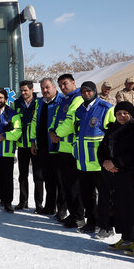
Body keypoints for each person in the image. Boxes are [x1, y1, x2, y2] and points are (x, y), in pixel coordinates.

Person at [57, 81, 115, 234]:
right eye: (83, 91)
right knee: (87, 194)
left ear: (95, 91)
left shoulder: (105, 108)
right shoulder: (79, 110)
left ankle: (107, 224)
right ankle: (92, 221)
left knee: (104, 195)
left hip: (98, 162)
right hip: (82, 161)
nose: (86, 94)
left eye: (89, 91)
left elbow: (114, 134)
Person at [98, 101, 134, 252]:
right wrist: (104, 163)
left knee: (131, 207)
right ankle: (125, 238)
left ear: (131, 114)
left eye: (125, 113)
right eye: (119, 113)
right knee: (120, 207)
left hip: (129, 173)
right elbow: (102, 148)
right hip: (114, 174)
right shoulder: (112, 128)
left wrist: (115, 163)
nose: (122, 116)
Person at [49, 74, 85, 228]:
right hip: (62, 148)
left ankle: (79, 216)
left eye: (65, 84)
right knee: (66, 184)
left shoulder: (78, 98)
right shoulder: (64, 100)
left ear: (73, 83)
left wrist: (57, 134)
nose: (63, 87)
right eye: (60, 85)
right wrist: (51, 130)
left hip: (73, 149)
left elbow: (71, 121)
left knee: (75, 186)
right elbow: (56, 119)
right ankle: (72, 214)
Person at [29, 77, 64, 218]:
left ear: (54, 87)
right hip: (43, 147)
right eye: (43, 88)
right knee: (48, 179)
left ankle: (61, 210)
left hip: (58, 147)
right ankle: (50, 207)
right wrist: (33, 142)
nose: (45, 90)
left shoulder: (61, 102)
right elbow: (34, 123)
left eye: (47, 87)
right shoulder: (39, 103)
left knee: (60, 181)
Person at [13, 80, 43, 211]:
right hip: (22, 145)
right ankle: (23, 201)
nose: (23, 93)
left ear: (32, 90)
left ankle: (39, 203)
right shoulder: (16, 104)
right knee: (23, 175)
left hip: (35, 145)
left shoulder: (39, 103)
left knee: (38, 175)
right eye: (22, 90)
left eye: (26, 90)